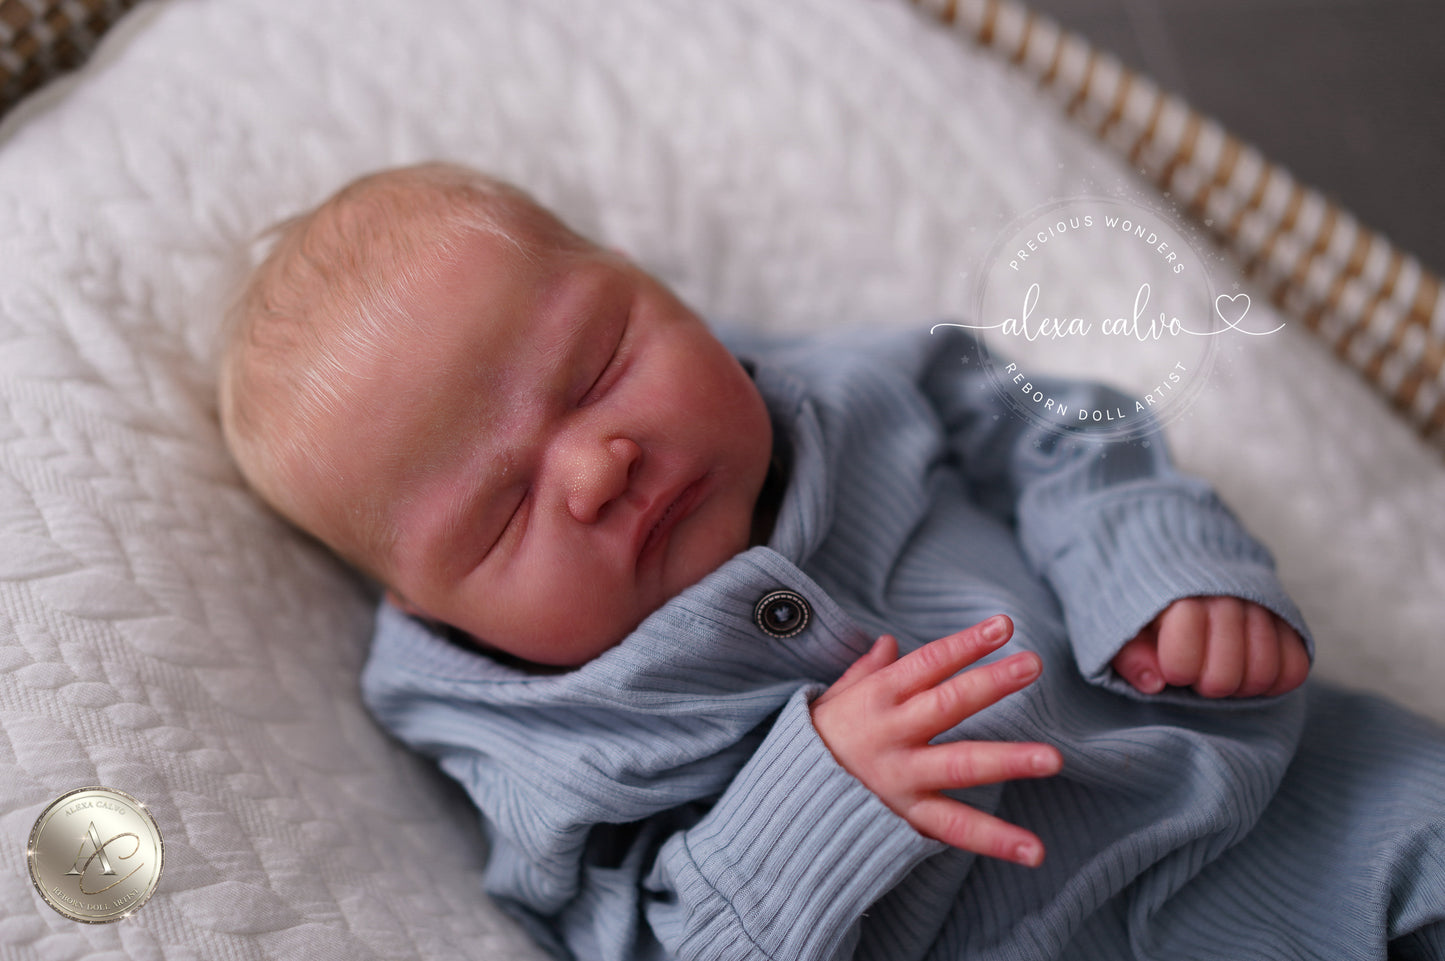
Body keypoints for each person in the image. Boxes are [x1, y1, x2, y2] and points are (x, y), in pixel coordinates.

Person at [219, 162, 1445, 961]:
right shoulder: (541, 750)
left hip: (1302, 815)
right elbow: (642, 941)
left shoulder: (861, 391)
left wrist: (1160, 569)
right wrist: (814, 804)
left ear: (661, 291)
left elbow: (1059, 436)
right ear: (434, 609)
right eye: (500, 514)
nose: (595, 467)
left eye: (596, 369)